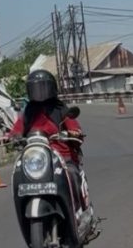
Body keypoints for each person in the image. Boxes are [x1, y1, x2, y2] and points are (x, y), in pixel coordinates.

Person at [6, 70, 88, 210]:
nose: (39, 93)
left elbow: (74, 127)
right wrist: (11, 137)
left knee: (72, 175)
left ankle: (77, 210)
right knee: (18, 178)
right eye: (36, 89)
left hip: (62, 157)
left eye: (43, 88)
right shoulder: (28, 112)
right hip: (36, 159)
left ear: (51, 88)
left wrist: (74, 133)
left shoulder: (60, 109)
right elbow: (17, 129)